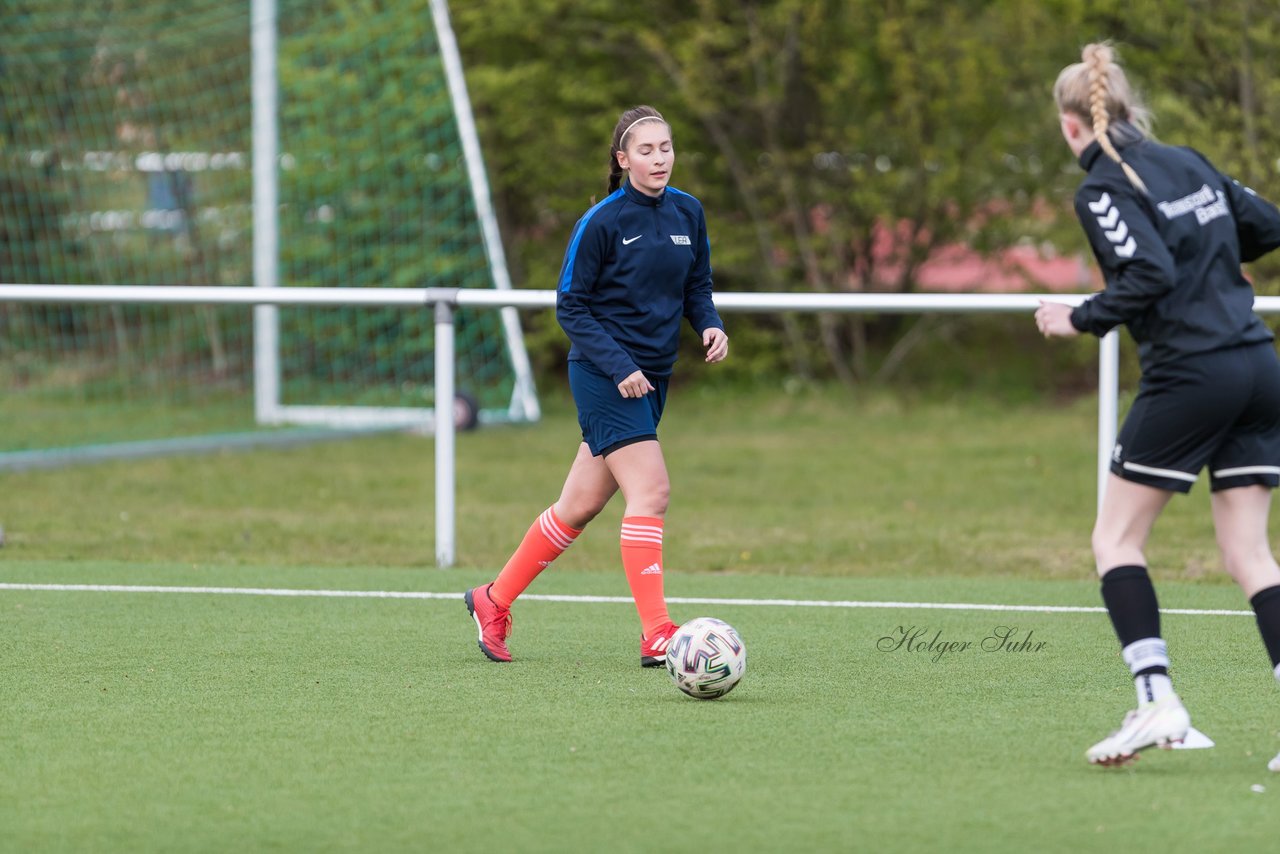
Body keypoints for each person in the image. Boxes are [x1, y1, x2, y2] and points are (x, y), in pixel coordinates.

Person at [1036, 43, 1280, 769]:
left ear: (1070, 125)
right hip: (1259, 366)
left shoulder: (1101, 187)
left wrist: (1078, 317)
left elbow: (1149, 269)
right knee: (1249, 553)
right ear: (1131, 109)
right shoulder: (1188, 160)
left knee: (1115, 541)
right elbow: (1267, 225)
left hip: (1193, 374)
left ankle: (1156, 702)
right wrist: (1217, 257)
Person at [465, 105, 729, 668]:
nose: (659, 158)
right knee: (651, 492)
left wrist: (709, 322)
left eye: (666, 148)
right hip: (605, 375)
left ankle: (492, 599)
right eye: (646, 150)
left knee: (578, 506)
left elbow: (698, 285)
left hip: (652, 379)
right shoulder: (603, 222)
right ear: (622, 159)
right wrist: (618, 366)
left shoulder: (689, 212)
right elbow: (571, 306)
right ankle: (658, 632)